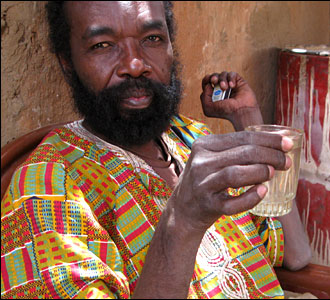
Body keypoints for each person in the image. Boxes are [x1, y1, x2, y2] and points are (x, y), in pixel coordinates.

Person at [1, 1, 312, 298]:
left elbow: (296, 254)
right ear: (68, 64)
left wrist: (247, 120)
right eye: (103, 45)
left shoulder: (191, 139)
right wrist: (183, 219)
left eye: (152, 38)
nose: (135, 65)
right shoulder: (49, 185)